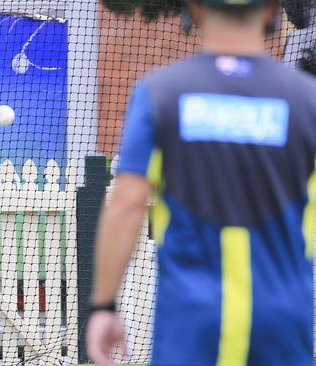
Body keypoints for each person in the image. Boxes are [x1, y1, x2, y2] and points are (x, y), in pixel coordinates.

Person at [86, 0, 316, 365]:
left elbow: (127, 204)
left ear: (194, 9)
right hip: (282, 318)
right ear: (273, 10)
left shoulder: (161, 93)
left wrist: (103, 306)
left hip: (191, 319)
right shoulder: (307, 101)